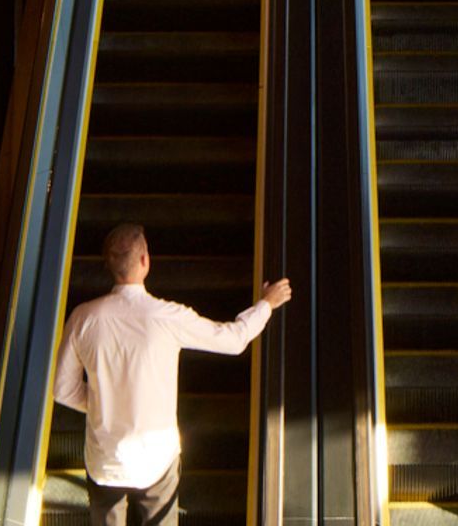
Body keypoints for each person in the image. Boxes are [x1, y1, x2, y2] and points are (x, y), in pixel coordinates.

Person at [52, 224, 291, 526]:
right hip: (157, 459)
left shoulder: (83, 318)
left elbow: (62, 390)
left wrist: (105, 405)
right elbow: (233, 341)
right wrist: (266, 304)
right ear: (144, 261)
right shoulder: (166, 316)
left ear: (109, 266)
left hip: (105, 460)